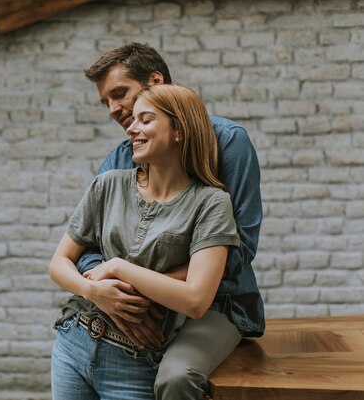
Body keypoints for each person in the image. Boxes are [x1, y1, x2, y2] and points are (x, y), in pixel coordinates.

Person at [52, 43, 265, 400]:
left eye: (120, 95)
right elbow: (88, 246)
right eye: (107, 102)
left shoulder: (227, 145)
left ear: (155, 80)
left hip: (216, 302)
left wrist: (139, 288)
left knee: (176, 377)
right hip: (99, 325)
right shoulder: (120, 161)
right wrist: (109, 293)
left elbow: (238, 248)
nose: (115, 111)